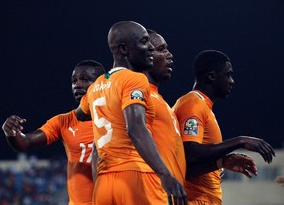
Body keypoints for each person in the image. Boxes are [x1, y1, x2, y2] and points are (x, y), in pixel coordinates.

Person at [76, 21, 187, 205]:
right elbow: (135, 128)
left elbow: (81, 115)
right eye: (144, 42)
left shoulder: (95, 87)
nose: (150, 48)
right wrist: (165, 174)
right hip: (135, 176)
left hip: (104, 183)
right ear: (124, 49)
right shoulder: (135, 79)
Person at [172, 50, 276, 205]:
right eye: (228, 75)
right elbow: (190, 154)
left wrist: (220, 163)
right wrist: (240, 141)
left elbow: (188, 167)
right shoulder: (193, 104)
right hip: (195, 200)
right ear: (212, 76)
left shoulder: (202, 106)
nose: (232, 81)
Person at [2, 60, 106, 205]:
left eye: (85, 79)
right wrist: (11, 132)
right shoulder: (64, 121)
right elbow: (24, 142)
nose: (77, 84)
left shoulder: (118, 116)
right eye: (74, 80)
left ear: (102, 83)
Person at [144, 29, 186, 186]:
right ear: (145, 53)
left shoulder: (161, 102)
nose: (170, 55)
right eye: (161, 49)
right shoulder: (138, 96)